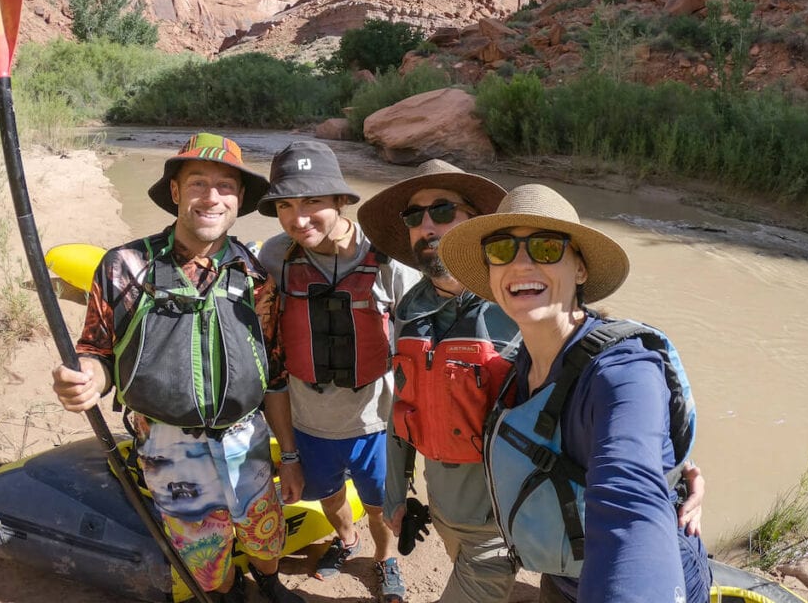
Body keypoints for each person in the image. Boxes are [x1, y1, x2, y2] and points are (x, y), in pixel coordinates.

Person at [51, 132, 302, 603]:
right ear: (175, 192)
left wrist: (287, 455)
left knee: (265, 535)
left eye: (226, 186)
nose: (212, 197)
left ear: (240, 198)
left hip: (246, 441)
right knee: (205, 560)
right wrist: (86, 378)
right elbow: (99, 352)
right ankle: (229, 594)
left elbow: (276, 374)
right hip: (167, 452)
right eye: (198, 183)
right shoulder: (124, 266)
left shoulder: (256, 277)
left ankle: (269, 580)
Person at [439, 184, 712, 603]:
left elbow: (630, 503)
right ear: (492, 275)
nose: (521, 263)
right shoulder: (520, 363)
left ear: (580, 270)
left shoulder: (625, 369)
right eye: (501, 250)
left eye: (546, 248)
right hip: (561, 576)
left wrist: (661, 479)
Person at [256, 141, 421, 603]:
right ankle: (345, 542)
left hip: (378, 423)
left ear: (342, 201)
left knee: (382, 505)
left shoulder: (388, 257)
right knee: (328, 496)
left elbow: (421, 337)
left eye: (313, 201)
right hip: (310, 422)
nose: (298, 218)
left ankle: (385, 559)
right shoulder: (275, 257)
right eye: (286, 205)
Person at [356, 159, 517, 603]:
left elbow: (591, 382)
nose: (427, 225)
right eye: (415, 217)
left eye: (443, 211)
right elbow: (403, 409)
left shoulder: (519, 299)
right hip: (445, 510)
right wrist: (395, 496)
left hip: (502, 523)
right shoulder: (409, 309)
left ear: (476, 222)